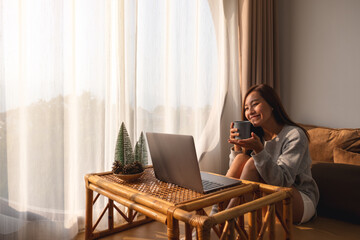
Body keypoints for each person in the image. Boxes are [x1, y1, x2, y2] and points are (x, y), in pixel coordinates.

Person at [225, 83, 319, 224]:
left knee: (252, 162)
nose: (250, 111)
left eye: (255, 104)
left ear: (272, 104)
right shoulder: (257, 136)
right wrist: (237, 148)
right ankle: (215, 217)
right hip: (270, 199)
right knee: (241, 159)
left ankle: (223, 222)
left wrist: (259, 151)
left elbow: (283, 181)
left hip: (299, 200)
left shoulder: (295, 135)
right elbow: (237, 179)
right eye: (246, 108)